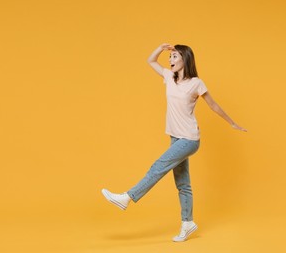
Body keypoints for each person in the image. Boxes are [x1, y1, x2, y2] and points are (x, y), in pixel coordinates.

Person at [101, 43, 247, 242]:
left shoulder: (196, 83)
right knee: (183, 184)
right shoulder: (169, 77)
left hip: (189, 139)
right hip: (175, 137)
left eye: (175, 57)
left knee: (157, 167)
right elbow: (151, 61)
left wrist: (232, 123)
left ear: (185, 59)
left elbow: (213, 105)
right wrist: (161, 49)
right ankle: (188, 223)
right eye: (170, 57)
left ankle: (127, 197)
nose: (170, 61)